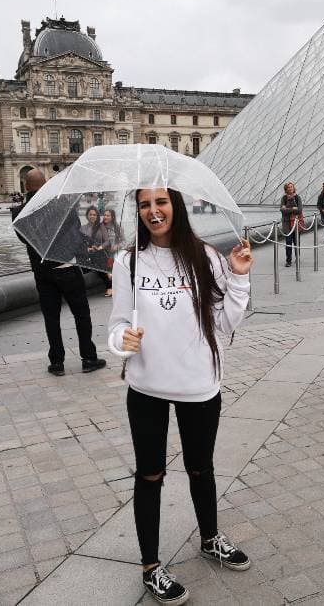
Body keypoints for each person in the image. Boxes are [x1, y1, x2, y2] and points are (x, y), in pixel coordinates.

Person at [108, 186, 253, 605]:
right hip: (147, 386)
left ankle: (210, 538)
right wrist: (123, 340)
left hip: (198, 383)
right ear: (138, 211)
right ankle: (150, 567)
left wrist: (239, 277)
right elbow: (116, 323)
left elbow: (224, 322)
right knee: (149, 474)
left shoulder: (206, 257)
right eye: (144, 205)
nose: (154, 212)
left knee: (200, 468)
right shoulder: (127, 260)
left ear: (176, 205)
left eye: (161, 202)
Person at [11, 169, 106, 376]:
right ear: (45, 184)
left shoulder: (19, 212)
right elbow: (75, 232)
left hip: (42, 272)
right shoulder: (61, 204)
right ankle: (88, 358)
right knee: (81, 314)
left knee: (51, 318)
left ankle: (57, 362)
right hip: (66, 267)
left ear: (26, 186)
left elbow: (25, 239)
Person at [80, 207, 112, 297]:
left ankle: (109, 285)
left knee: (98, 257)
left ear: (97, 216)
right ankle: (109, 276)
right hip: (88, 254)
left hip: (101, 252)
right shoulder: (82, 228)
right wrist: (88, 249)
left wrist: (99, 247)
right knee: (95, 258)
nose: (92, 216)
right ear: (87, 216)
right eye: (90, 214)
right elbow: (80, 244)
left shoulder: (101, 226)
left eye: (94, 214)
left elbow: (107, 241)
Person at [280, 182, 302, 267]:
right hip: (286, 223)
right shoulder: (284, 198)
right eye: (288, 187)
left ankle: (297, 258)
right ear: (286, 189)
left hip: (296, 222)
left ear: (294, 188)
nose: (290, 188)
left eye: (291, 187)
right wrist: (293, 208)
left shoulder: (297, 197)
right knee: (288, 242)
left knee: (296, 241)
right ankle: (288, 260)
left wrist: (287, 208)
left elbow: (299, 210)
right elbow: (282, 210)